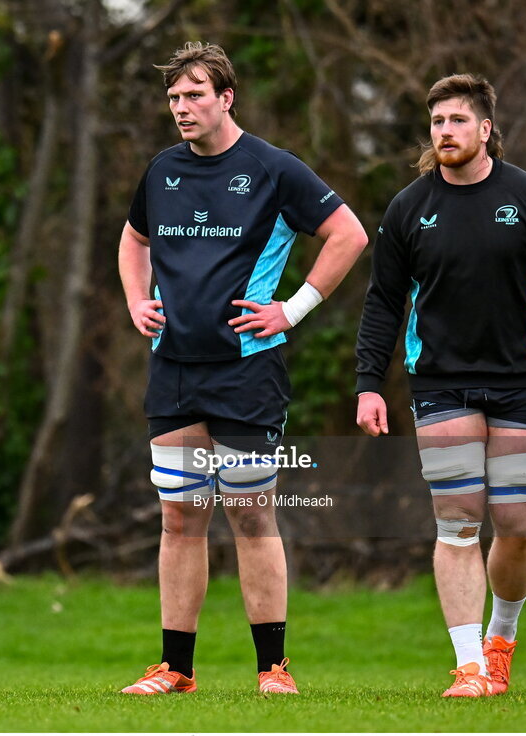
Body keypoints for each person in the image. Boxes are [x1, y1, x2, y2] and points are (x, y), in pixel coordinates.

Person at [118, 41, 368, 696]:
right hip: (172, 368)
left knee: (251, 515)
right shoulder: (161, 171)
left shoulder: (273, 169)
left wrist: (295, 308)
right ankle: (175, 668)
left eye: (194, 94)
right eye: (173, 97)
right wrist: (135, 300)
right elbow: (134, 238)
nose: (181, 107)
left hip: (246, 371)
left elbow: (349, 234)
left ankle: (272, 670)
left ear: (226, 98)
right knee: (180, 516)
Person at [355, 73, 526, 697]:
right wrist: (369, 383)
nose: (445, 132)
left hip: (520, 381)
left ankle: (500, 639)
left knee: (516, 524)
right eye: (436, 122)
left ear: (486, 129)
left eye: (457, 120)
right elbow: (383, 300)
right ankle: (468, 667)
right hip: (440, 383)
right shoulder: (409, 207)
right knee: (457, 521)